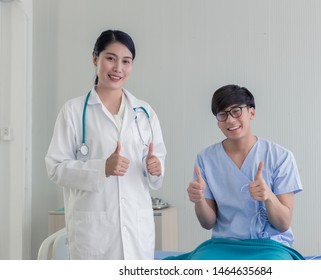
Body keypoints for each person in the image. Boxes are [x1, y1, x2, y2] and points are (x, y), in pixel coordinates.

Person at [45, 30, 166, 260]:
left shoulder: (145, 112)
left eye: (126, 61)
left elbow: (157, 169)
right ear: (95, 59)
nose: (118, 67)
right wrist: (102, 168)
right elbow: (55, 168)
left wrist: (156, 168)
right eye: (110, 58)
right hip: (93, 235)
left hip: (136, 231)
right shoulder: (73, 111)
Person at [187, 84, 302, 253]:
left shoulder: (280, 157)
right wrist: (199, 201)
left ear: (251, 113)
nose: (230, 120)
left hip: (270, 246)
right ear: (218, 122)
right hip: (224, 245)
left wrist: (268, 196)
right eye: (223, 114)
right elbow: (207, 223)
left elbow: (283, 224)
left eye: (236, 111)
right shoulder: (206, 159)